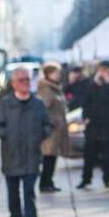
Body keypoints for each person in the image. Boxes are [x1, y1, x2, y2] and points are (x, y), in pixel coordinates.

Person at [0, 67, 52, 217]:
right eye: (21, 80)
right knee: (13, 195)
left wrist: (41, 134)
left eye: (27, 80)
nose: (25, 83)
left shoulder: (37, 104)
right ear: (14, 84)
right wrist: (6, 134)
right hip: (11, 156)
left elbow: (48, 125)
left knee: (29, 192)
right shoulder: (6, 104)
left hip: (32, 155)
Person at [78, 60, 109, 190]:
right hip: (94, 125)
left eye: (105, 70)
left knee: (108, 155)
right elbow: (85, 101)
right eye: (101, 70)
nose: (102, 72)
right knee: (89, 154)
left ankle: (108, 178)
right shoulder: (93, 83)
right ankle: (86, 179)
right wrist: (85, 117)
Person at [37, 62, 69, 193]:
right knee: (48, 157)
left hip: (56, 129)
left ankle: (49, 181)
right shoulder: (46, 89)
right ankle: (45, 183)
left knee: (52, 156)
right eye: (56, 73)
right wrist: (51, 122)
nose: (59, 75)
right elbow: (43, 108)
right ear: (49, 74)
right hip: (51, 130)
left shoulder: (55, 87)